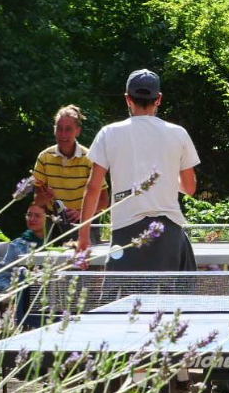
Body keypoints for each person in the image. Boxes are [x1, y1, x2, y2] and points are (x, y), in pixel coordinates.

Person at [78, 70, 199, 271]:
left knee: (120, 300)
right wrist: (166, 182)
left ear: (127, 98)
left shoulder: (108, 133)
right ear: (158, 99)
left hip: (126, 235)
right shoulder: (179, 133)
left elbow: (93, 188)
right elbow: (190, 188)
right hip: (170, 236)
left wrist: (83, 238)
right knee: (174, 302)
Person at [33, 105, 109, 228]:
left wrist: (81, 214)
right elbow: (37, 200)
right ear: (54, 129)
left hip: (86, 223)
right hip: (55, 223)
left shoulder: (89, 158)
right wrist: (45, 197)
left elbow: (104, 201)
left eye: (68, 129)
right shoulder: (44, 157)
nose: (63, 134)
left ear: (78, 131)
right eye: (59, 128)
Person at [0, 201, 48, 293]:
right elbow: (2, 277)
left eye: (37, 216)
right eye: (29, 215)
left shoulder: (58, 243)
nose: (32, 219)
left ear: (48, 219)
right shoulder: (17, 245)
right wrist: (13, 295)